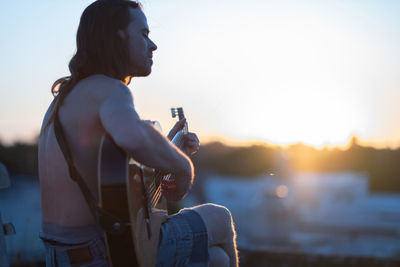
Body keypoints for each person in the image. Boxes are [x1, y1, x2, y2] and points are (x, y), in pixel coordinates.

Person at [38, 1, 238, 266]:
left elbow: (114, 176)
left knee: (217, 259)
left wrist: (166, 149)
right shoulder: (111, 89)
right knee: (220, 218)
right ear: (117, 36)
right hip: (104, 253)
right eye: (144, 34)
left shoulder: (65, 99)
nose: (153, 45)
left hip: (65, 255)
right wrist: (183, 166)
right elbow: (132, 137)